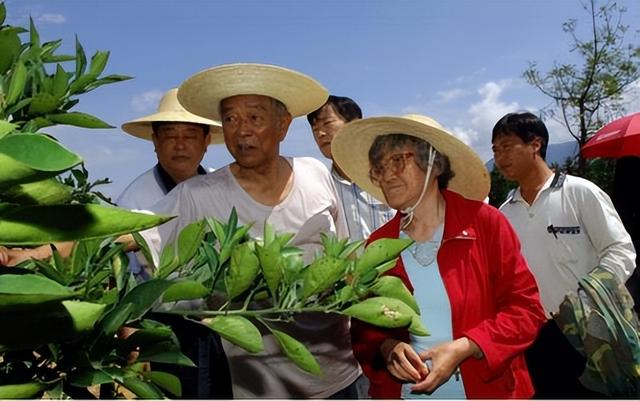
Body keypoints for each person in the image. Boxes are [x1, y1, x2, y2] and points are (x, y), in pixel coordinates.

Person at [139, 63, 361, 398]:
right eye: (230, 119)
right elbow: (132, 230)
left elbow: (345, 259)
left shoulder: (315, 173)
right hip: (259, 389)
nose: (241, 131)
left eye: (254, 118)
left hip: (339, 377)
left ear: (283, 124)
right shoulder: (198, 196)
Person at [331, 114, 546, 399]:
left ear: (434, 164)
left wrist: (466, 346)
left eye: (398, 161)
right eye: (379, 168)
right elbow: (364, 326)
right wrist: (388, 348)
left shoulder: (485, 224)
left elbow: (525, 310)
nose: (386, 175)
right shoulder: (379, 243)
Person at [491, 111, 637, 398]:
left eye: (506, 146)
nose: (499, 157)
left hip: (589, 333)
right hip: (532, 336)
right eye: (495, 150)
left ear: (535, 145)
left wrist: (591, 297)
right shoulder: (503, 213)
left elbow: (620, 249)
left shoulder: (580, 192)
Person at [117, 87, 223, 211]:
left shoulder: (224, 188)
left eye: (190, 136)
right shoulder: (133, 204)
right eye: (170, 136)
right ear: (156, 141)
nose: (180, 145)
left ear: (206, 141)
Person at [307, 95, 394, 241]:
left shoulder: (390, 177)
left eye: (327, 123)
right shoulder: (319, 189)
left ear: (355, 124)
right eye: (315, 129)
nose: (320, 134)